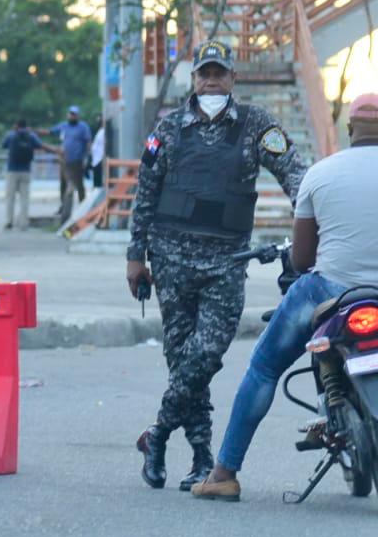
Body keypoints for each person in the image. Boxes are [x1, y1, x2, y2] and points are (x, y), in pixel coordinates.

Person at [192, 92, 378, 502]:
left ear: (349, 131)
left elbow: (304, 258)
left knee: (265, 368)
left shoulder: (320, 174)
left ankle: (224, 472)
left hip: (330, 290)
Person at [129, 40, 308, 492]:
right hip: (170, 261)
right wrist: (135, 257)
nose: (211, 80)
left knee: (205, 356)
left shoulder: (256, 126)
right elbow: (145, 193)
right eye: (204, 73)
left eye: (219, 73)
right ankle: (201, 459)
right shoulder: (168, 129)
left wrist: (315, 219)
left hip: (226, 262)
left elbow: (295, 175)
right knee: (183, 362)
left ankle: (158, 434)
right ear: (194, 79)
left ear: (233, 79)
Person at [40, 106, 93, 223]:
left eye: (74, 114)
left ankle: (81, 207)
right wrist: (36, 132)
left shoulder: (83, 127)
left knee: (78, 185)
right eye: (70, 114)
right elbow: (50, 131)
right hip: (64, 161)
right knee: (63, 185)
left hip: (77, 161)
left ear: (78, 116)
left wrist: (87, 157)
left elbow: (88, 142)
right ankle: (63, 206)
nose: (71, 116)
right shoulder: (64, 126)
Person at [1, 119, 37, 230]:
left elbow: (3, 145)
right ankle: (23, 223)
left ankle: (9, 221)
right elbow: (39, 145)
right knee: (24, 198)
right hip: (26, 170)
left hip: (12, 171)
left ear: (16, 126)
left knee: (10, 198)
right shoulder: (31, 136)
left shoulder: (11, 135)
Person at [90, 115, 107, 188]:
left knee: (98, 183)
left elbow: (105, 146)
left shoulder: (104, 132)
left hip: (100, 159)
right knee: (96, 182)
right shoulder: (100, 131)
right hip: (96, 160)